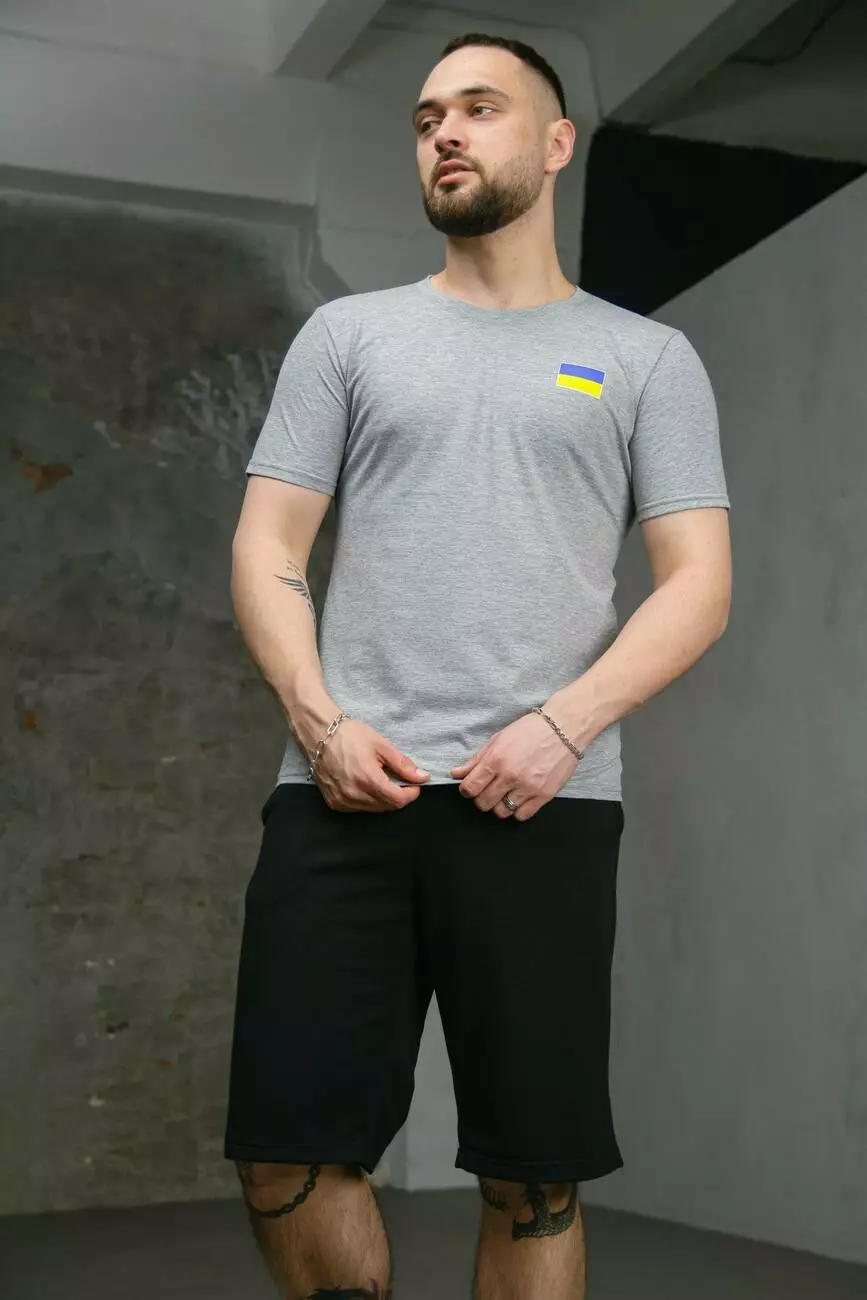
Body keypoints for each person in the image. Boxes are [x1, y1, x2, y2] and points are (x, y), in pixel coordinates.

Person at [223, 31, 732, 1300]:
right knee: (285, 1150)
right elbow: (268, 546)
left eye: (479, 108)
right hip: (342, 792)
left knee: (533, 1175)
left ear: (556, 144)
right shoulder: (350, 336)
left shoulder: (645, 359)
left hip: (544, 803)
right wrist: (321, 723)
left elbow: (699, 583)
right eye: (426, 117)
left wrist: (564, 726)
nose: (444, 132)